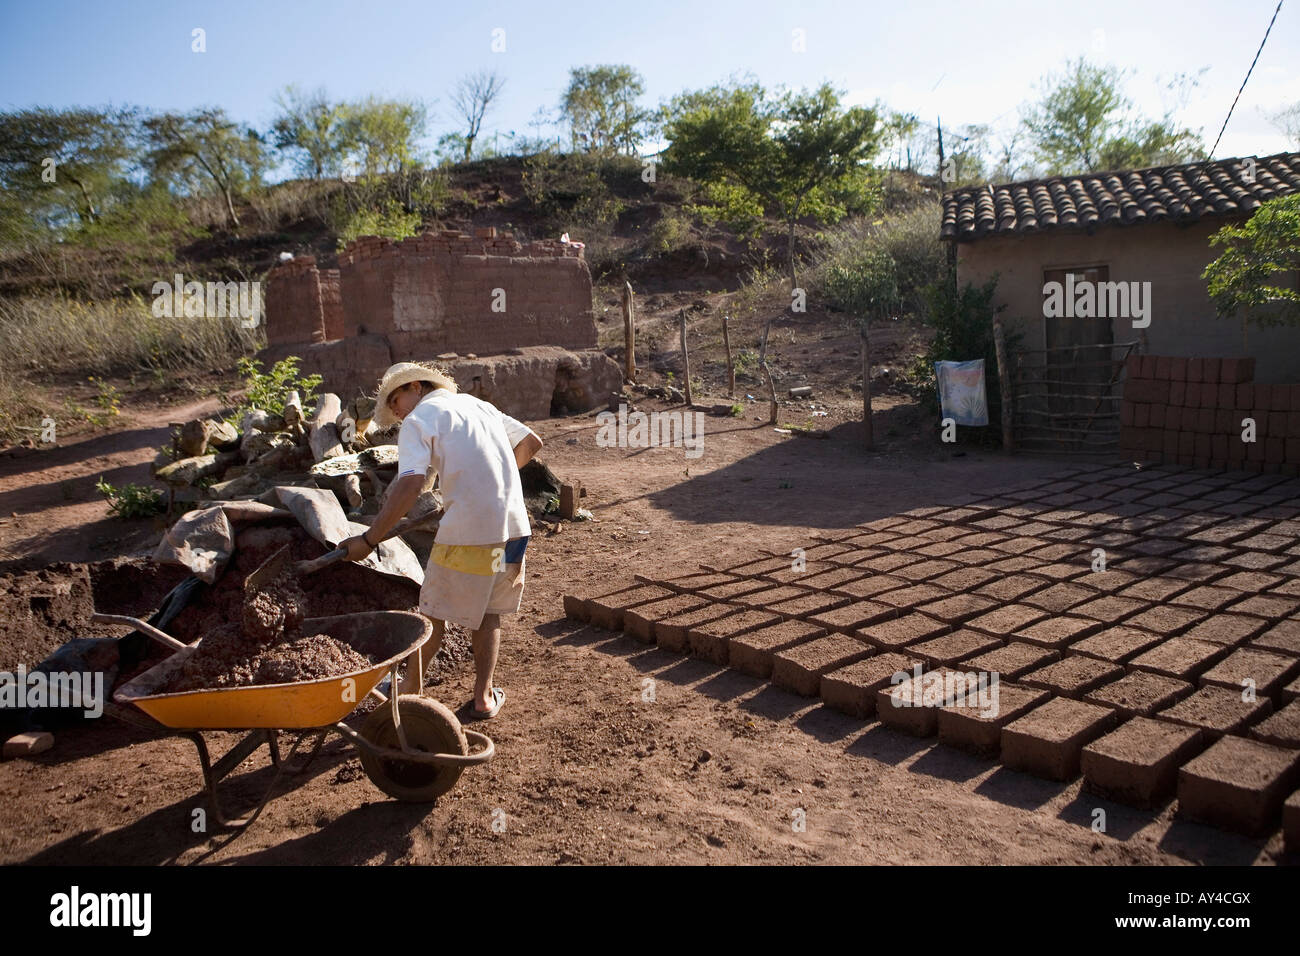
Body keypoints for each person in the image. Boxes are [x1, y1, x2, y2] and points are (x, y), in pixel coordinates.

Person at [340, 362, 543, 719]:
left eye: (395, 399)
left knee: (432, 612)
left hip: (470, 535)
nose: (396, 411)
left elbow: (410, 483)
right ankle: (483, 698)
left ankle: (411, 690)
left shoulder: (421, 419)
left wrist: (370, 539)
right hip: (513, 528)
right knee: (488, 611)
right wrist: (494, 483)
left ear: (416, 387)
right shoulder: (478, 406)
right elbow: (531, 442)